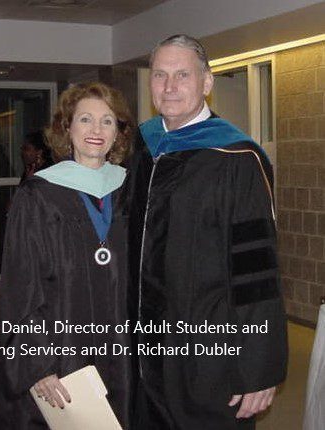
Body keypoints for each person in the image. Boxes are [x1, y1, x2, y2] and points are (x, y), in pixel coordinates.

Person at [128, 34, 288, 430]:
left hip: (209, 350)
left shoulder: (237, 159)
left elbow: (257, 271)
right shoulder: (144, 146)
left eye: (182, 74)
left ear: (207, 83)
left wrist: (259, 366)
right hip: (144, 347)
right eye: (160, 75)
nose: (169, 86)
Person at [0, 82, 134, 430]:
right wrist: (37, 363)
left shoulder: (131, 190)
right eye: (85, 119)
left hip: (120, 349)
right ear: (67, 128)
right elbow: (20, 288)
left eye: (107, 121)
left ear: (119, 133)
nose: (96, 130)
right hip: (58, 348)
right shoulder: (39, 195)